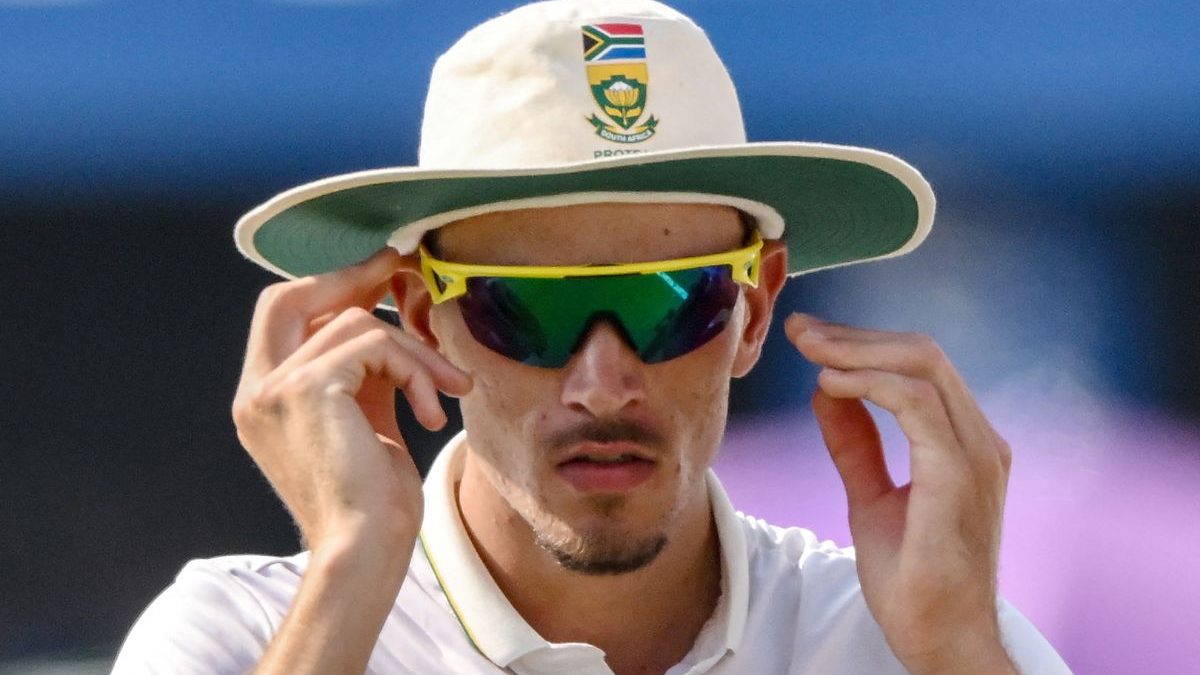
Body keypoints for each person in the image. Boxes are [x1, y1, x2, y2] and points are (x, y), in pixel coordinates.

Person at [114, 1, 1071, 673]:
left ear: (754, 308)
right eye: (529, 310)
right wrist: (354, 563)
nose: (604, 382)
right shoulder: (243, 633)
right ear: (418, 318)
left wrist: (957, 654)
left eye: (670, 301)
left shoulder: (924, 642)